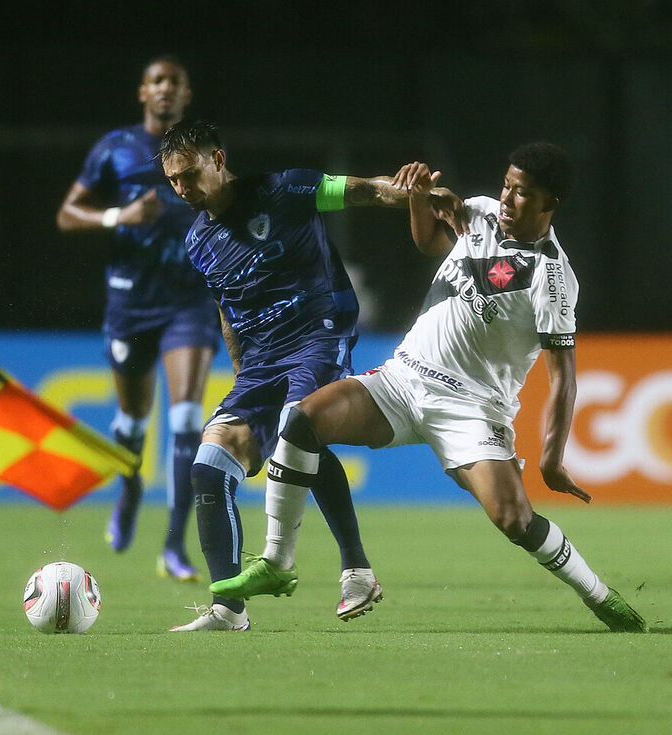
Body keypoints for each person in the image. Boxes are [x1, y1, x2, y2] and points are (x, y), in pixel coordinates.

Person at [213, 145, 648, 633]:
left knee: (514, 520)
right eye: (507, 184)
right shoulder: (481, 212)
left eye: (523, 193)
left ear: (551, 203)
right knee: (302, 421)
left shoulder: (552, 278)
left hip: (472, 409)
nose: (507, 198)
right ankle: (278, 560)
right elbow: (430, 245)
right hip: (405, 379)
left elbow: (563, 376)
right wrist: (420, 197)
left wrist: (550, 457)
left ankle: (598, 594)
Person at [159, 119, 437, 631]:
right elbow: (226, 307)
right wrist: (242, 374)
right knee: (208, 465)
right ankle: (228, 610)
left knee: (297, 427)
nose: (182, 188)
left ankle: (355, 569)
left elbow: (364, 192)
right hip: (261, 361)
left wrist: (422, 194)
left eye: (190, 173)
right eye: (172, 180)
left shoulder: (284, 190)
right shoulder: (198, 240)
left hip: (318, 333)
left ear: (218, 160)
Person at [56, 55, 217, 582]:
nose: (165, 89)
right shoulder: (115, 149)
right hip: (130, 302)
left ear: (187, 93)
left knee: (188, 416)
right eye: (156, 81)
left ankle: (174, 545)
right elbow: (66, 213)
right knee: (131, 421)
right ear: (142, 92)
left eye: (175, 81)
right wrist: (117, 215)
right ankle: (127, 492)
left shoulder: (204, 151)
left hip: (188, 302)